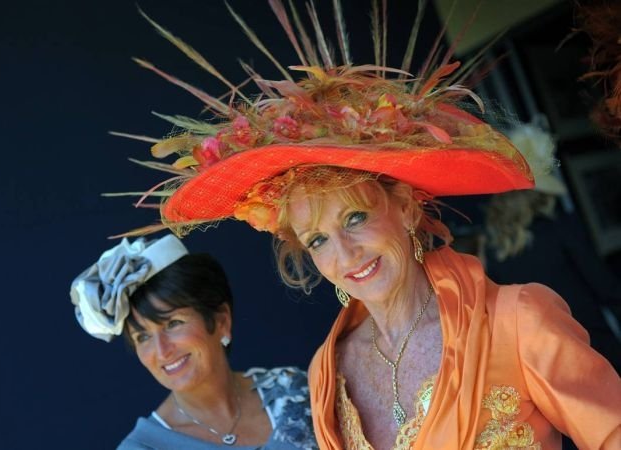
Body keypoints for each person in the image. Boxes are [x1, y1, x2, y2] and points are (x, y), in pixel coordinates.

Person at [112, 2, 621, 448]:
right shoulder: (326, 372)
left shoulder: (519, 320)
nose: (346, 253)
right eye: (318, 240)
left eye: (355, 217)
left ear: (403, 208)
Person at [70, 235, 318, 449]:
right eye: (142, 337)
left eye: (173, 324)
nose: (162, 351)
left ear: (221, 320)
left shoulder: (295, 391)